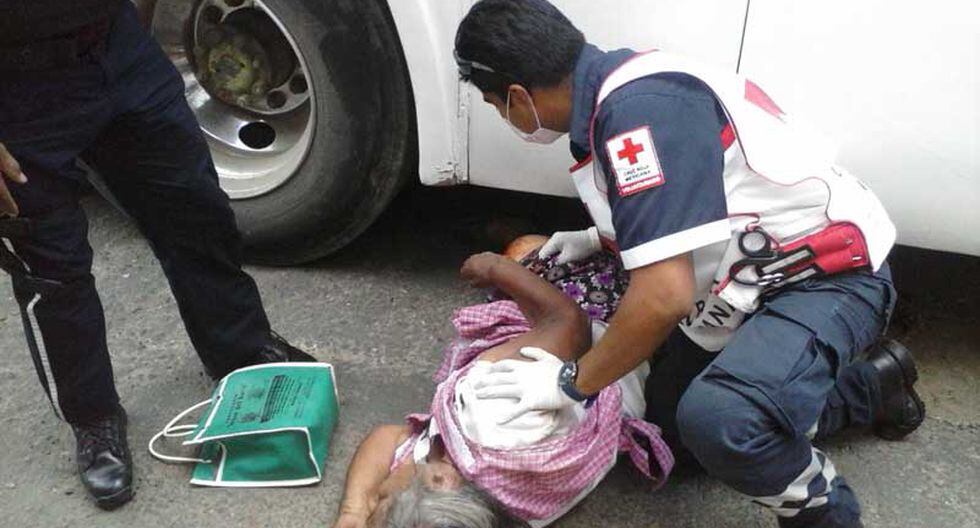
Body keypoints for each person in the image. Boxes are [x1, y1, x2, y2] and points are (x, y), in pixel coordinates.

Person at [452, 1, 925, 527]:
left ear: (519, 95)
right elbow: (690, 199)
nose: (505, 118)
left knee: (723, 422)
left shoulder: (635, 118)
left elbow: (664, 296)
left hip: (828, 276)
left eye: (497, 106)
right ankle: (873, 385)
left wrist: (570, 383)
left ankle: (826, 513)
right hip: (749, 276)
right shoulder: (618, 92)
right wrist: (596, 238)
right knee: (672, 434)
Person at [0, 0, 315, 510]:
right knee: (51, 269)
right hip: (14, 88)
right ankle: (93, 418)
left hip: (117, 45)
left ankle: (240, 350)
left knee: (194, 208)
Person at [333, 244, 673, 528]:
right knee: (526, 247)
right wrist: (495, 267)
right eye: (381, 497)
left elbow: (387, 438)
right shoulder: (496, 419)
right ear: (441, 480)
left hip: (580, 362)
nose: (376, 492)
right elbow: (570, 322)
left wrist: (354, 511)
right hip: (613, 331)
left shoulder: (489, 503)